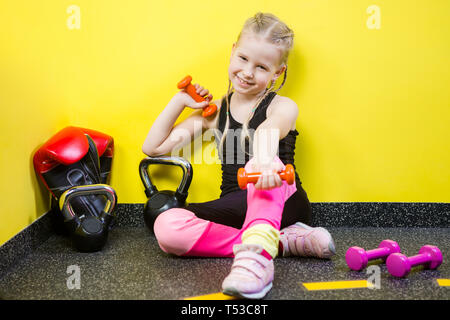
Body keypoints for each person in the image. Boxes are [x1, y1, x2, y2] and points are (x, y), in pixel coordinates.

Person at [142, 12, 336, 299]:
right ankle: (283, 243)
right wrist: (179, 101)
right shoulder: (214, 113)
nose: (247, 72)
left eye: (261, 67)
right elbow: (154, 148)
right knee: (167, 227)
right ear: (233, 52)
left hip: (283, 199)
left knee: (267, 166)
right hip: (236, 208)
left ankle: (256, 265)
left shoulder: (282, 106)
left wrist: (264, 161)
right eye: (243, 59)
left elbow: (267, 133)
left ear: (277, 73)